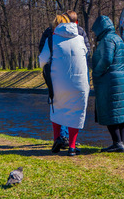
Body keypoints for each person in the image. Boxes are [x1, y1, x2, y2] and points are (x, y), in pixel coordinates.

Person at [49, 14, 90, 156]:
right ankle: (72, 147)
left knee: (57, 109)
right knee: (76, 112)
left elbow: (43, 60)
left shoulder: (52, 38)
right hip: (80, 83)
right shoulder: (80, 38)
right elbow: (87, 53)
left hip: (59, 82)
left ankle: (56, 140)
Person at [91, 15, 124, 153]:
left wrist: (96, 72)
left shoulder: (107, 39)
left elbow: (107, 59)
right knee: (121, 113)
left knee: (110, 111)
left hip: (110, 81)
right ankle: (122, 144)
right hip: (122, 79)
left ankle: (117, 143)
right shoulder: (118, 38)